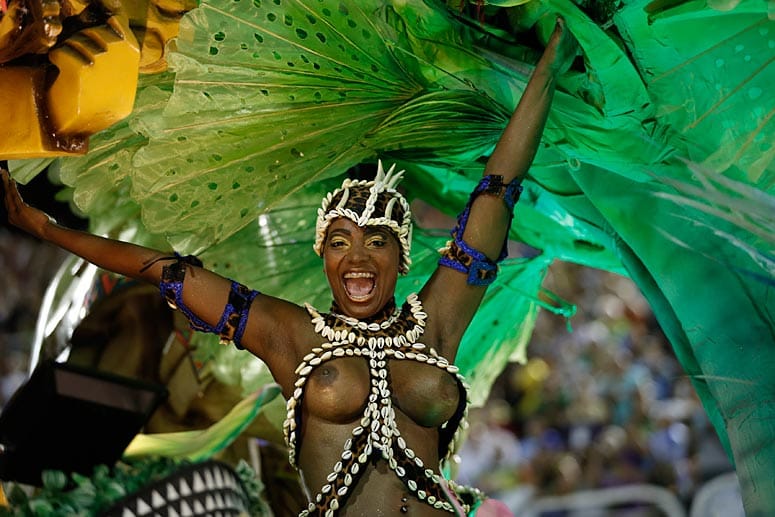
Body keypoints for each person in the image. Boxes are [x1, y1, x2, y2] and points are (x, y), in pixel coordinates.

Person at [1, 16, 578, 516]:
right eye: (340, 241)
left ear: (402, 258)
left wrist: (547, 71)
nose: (357, 257)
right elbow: (164, 269)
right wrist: (50, 231)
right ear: (322, 256)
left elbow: (496, 194)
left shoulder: (437, 326)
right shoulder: (287, 334)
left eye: (376, 241)